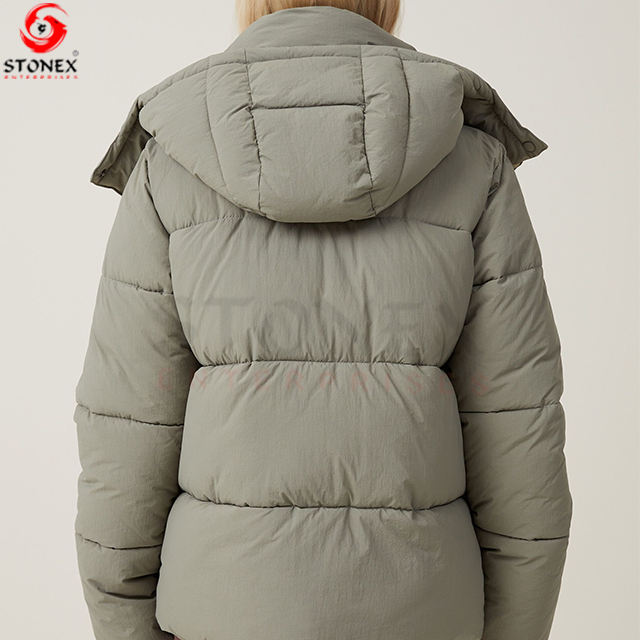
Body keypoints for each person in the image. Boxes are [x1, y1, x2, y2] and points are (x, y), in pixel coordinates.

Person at [73, 1, 572, 639]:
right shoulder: (470, 160)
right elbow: (517, 428)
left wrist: (122, 622)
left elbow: (127, 427)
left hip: (224, 607)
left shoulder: (172, 164)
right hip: (421, 606)